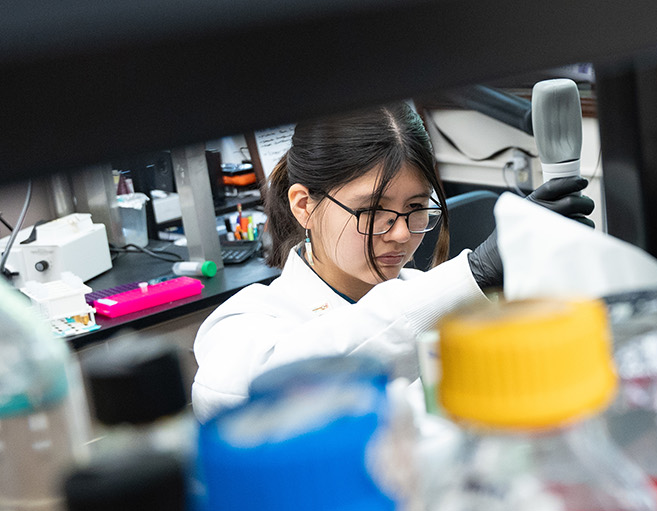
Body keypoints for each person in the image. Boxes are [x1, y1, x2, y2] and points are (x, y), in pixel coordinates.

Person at [191, 102, 593, 420]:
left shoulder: (425, 294)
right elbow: (262, 391)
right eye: (371, 211)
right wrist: (473, 275)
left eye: (416, 207)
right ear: (304, 206)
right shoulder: (243, 323)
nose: (401, 234)